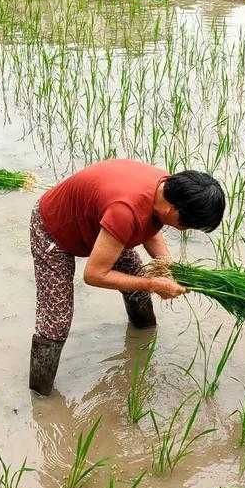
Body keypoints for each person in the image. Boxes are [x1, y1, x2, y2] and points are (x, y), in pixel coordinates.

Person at [29, 159, 225, 395]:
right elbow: (94, 275)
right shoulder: (126, 211)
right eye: (186, 226)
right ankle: (40, 395)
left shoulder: (166, 189)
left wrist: (168, 268)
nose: (184, 231)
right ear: (172, 211)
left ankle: (142, 341)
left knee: (137, 283)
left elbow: (148, 228)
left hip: (102, 225)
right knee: (55, 321)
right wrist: (153, 283)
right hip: (53, 230)